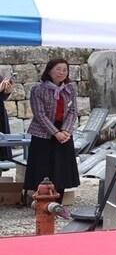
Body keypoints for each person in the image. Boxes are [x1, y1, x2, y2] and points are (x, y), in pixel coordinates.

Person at [23, 58, 80, 197]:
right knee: (42, 167)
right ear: (49, 71)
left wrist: (66, 130)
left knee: (61, 169)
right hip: (43, 132)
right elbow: (39, 114)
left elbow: (73, 110)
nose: (61, 72)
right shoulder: (38, 90)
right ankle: (41, 199)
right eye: (58, 69)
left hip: (64, 130)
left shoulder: (70, 89)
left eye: (64, 70)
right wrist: (56, 133)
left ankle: (58, 198)